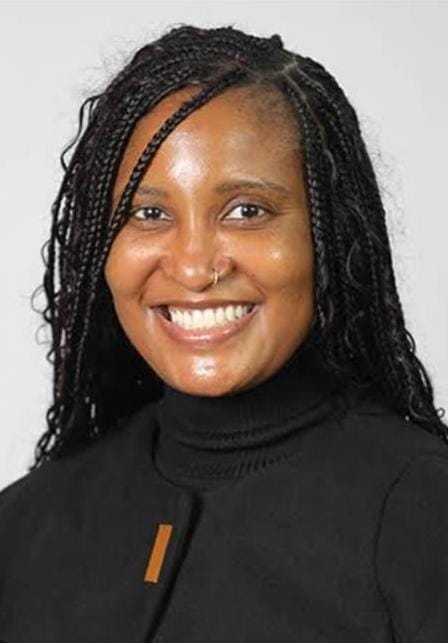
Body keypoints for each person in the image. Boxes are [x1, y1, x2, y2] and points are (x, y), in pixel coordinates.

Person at [0, 23, 447, 643]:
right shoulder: (25, 523)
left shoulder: (424, 514)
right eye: (149, 213)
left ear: (328, 235)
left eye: (246, 211)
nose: (192, 268)